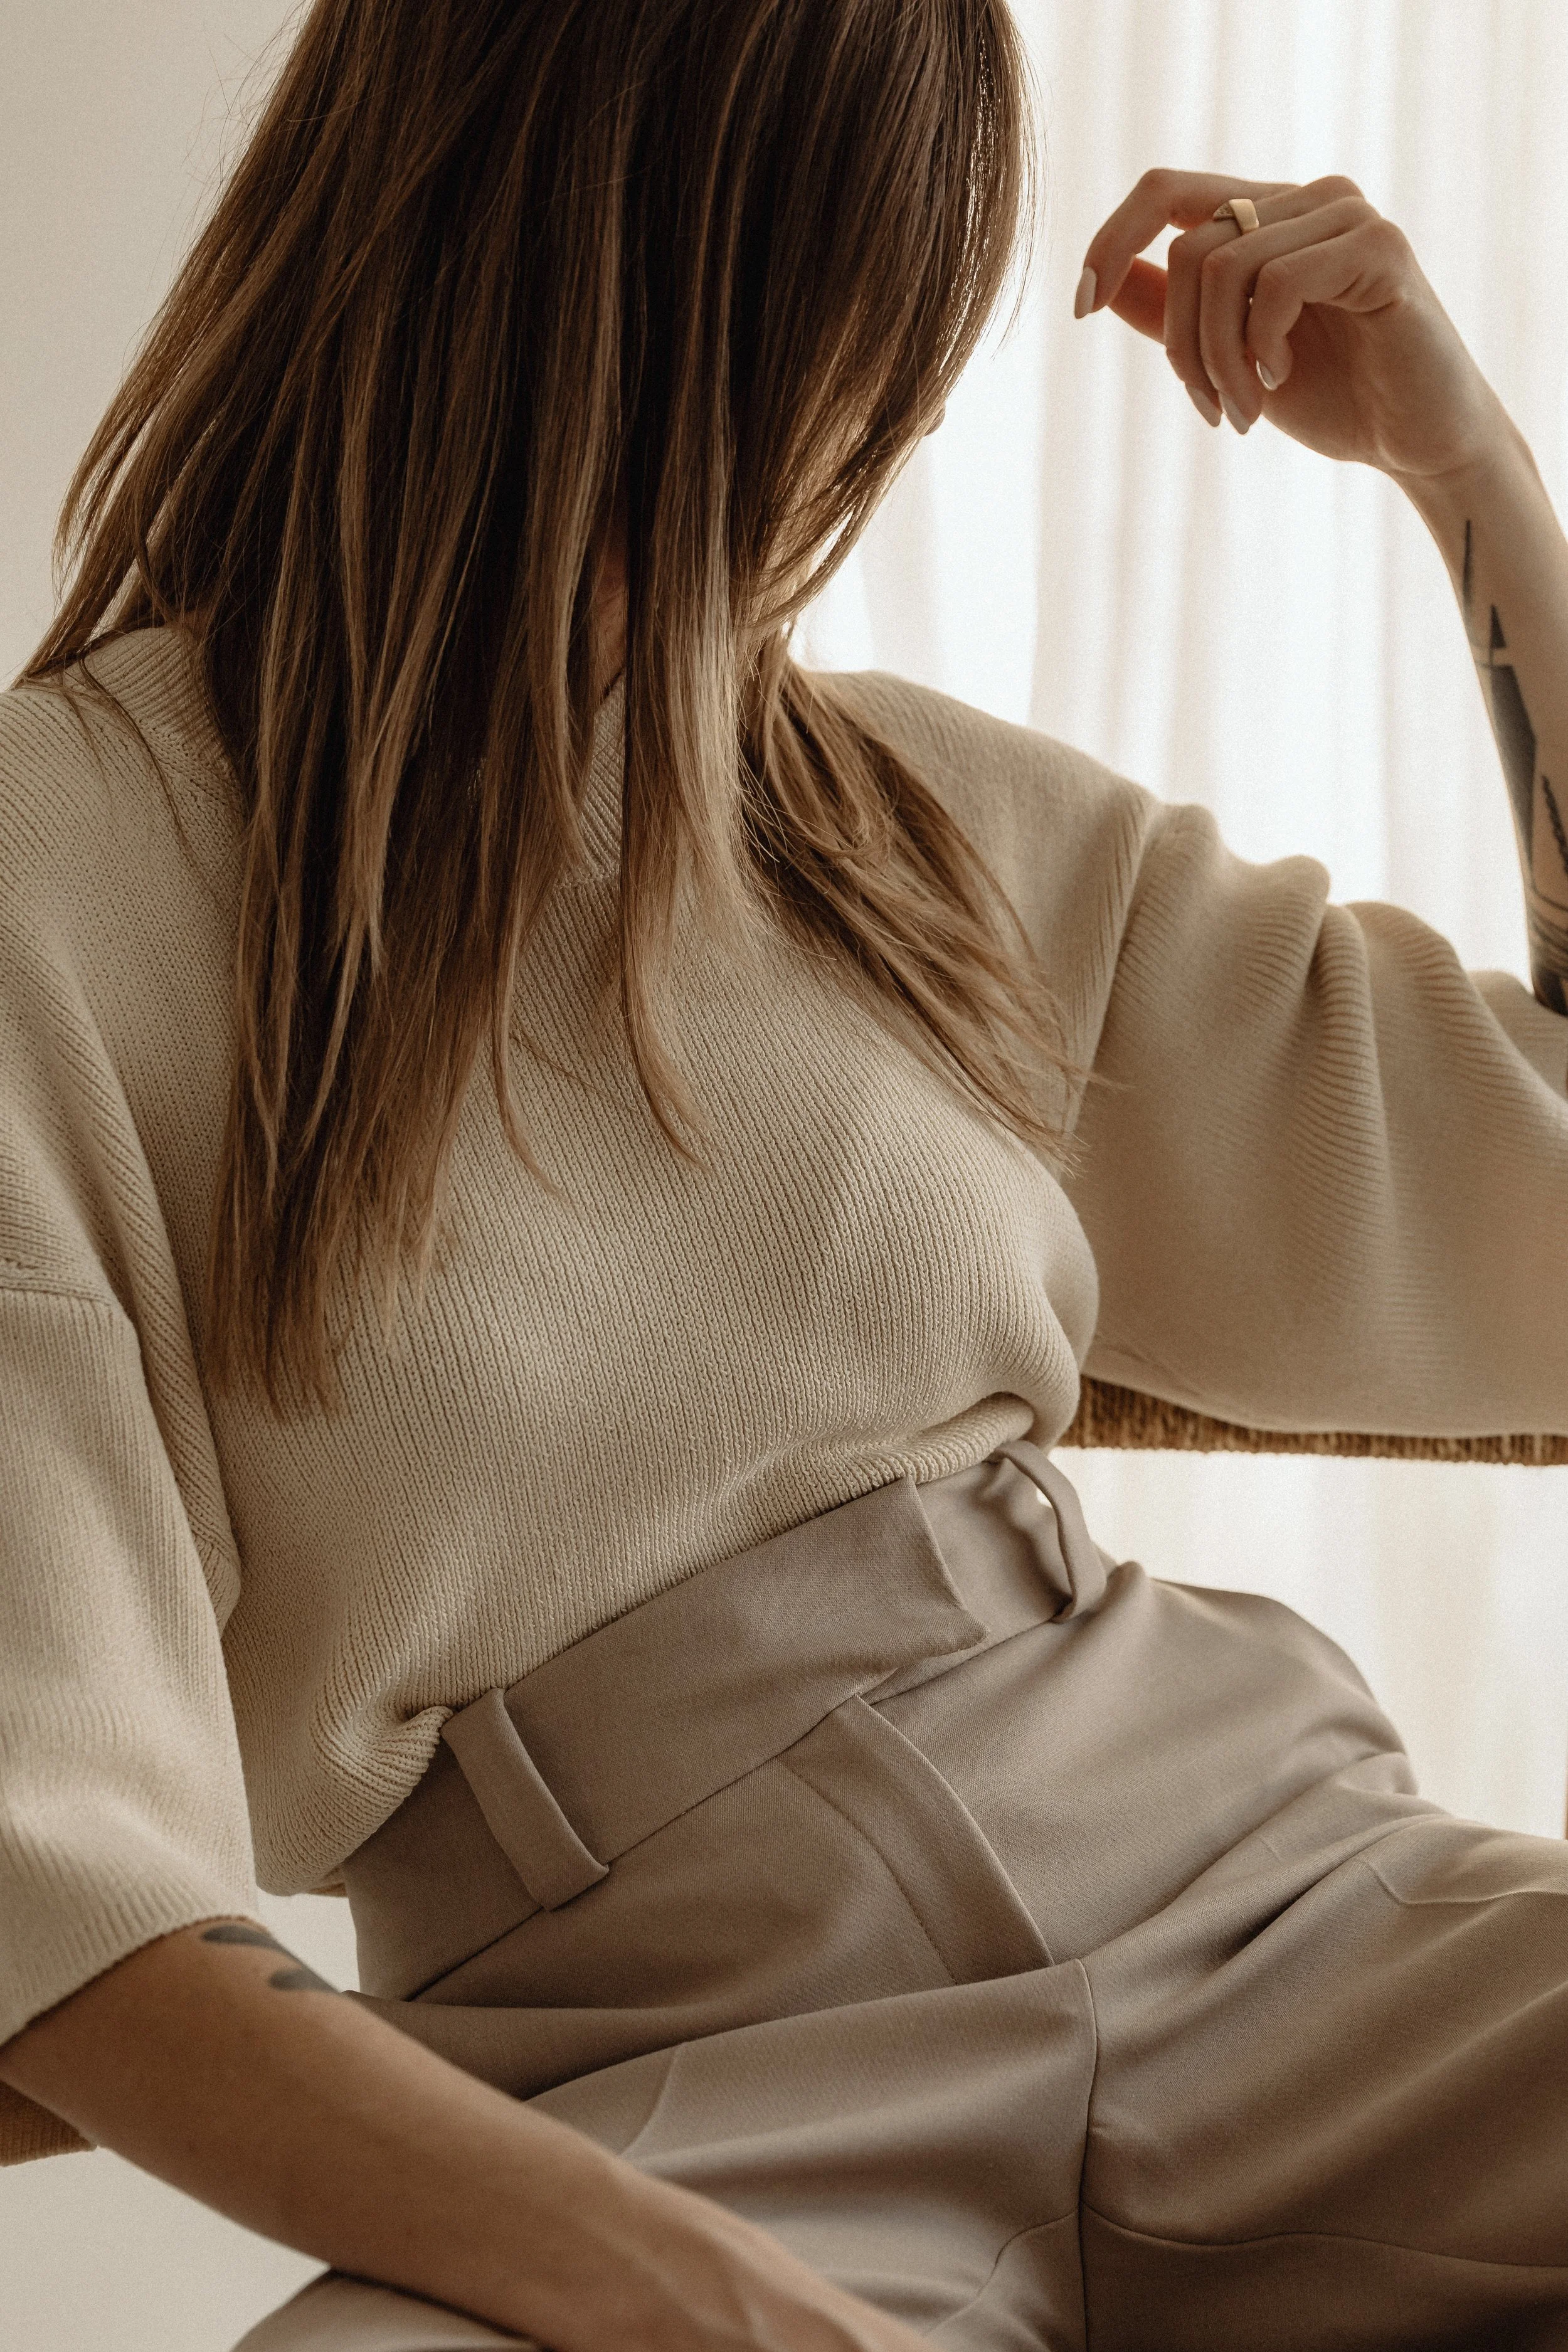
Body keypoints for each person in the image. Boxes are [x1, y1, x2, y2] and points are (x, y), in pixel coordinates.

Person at [1, 4, 1566, 2348]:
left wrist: (1465, 471)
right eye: (824, 323)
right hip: (677, 2087)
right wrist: (703, 2292)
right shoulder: (61, 877)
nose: (860, 433)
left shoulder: (902, 817)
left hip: (1307, 1936)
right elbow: (57, 1887)